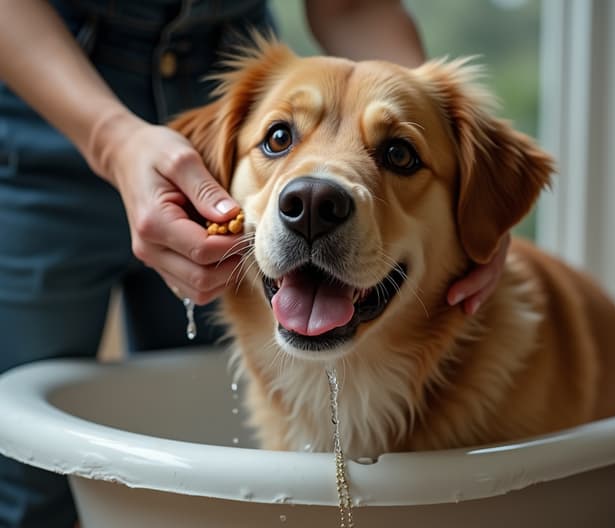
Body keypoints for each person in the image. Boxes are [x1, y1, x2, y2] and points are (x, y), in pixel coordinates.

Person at [0, 0, 508, 525]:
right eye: (281, 139)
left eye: (399, 154)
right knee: (28, 479)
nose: (313, 195)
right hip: (41, 93)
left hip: (217, 51)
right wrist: (110, 139)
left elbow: (351, 5)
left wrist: (482, 192)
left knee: (199, 494)